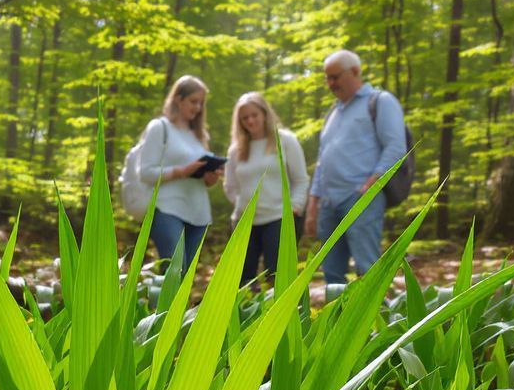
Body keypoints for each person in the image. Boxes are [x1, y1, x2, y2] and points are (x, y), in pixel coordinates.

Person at [304, 50, 406, 288]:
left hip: (360, 197)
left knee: (367, 269)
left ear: (356, 72)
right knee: (331, 273)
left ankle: (376, 322)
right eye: (327, 78)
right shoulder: (333, 111)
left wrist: (370, 185)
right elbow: (322, 160)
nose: (330, 83)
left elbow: (396, 147)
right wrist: (313, 204)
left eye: (335, 77)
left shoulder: (380, 101)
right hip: (329, 203)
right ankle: (337, 322)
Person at [223, 91, 308, 286]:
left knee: (277, 278)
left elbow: (300, 179)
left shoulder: (285, 140)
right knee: (243, 280)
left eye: (254, 115)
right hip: (245, 221)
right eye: (245, 118)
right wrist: (241, 205)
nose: (250, 121)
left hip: (279, 218)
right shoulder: (236, 150)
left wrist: (294, 208)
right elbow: (230, 185)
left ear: (264, 114)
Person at [138, 74, 220, 271]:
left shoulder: (199, 135)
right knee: (175, 270)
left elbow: (204, 180)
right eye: (193, 101)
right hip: (167, 208)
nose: (198, 108)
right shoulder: (160, 127)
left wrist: (210, 178)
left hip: (199, 213)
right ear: (178, 98)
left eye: (201, 103)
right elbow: (145, 172)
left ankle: (175, 303)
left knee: (185, 278)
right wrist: (181, 171)